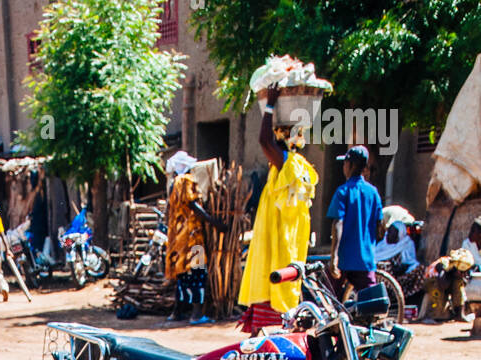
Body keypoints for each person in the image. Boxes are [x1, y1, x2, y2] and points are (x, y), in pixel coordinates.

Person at [238, 86, 318, 313]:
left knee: (275, 301)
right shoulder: (301, 167)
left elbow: (263, 141)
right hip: (291, 247)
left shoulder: (287, 164)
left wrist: (270, 105)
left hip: (280, 248)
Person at [164, 160, 224, 325]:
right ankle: (196, 315)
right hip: (192, 237)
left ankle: (177, 312)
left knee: (182, 275)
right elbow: (194, 205)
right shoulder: (186, 181)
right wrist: (214, 222)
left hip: (178, 238)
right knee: (198, 273)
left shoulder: (172, 185)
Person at [327, 145, 383, 292]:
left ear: (350, 165)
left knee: (331, 303)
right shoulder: (373, 193)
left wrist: (334, 256)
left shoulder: (343, 192)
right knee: (370, 305)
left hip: (345, 259)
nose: (343, 167)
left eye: (345, 163)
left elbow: (338, 223)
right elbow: (380, 225)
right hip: (365, 260)